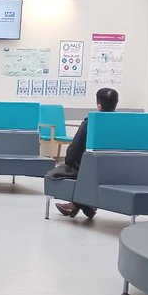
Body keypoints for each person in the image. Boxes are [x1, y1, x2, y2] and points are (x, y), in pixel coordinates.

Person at [53, 87, 119, 219]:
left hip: (87, 167)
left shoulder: (90, 123)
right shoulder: (121, 122)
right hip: (113, 168)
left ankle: (80, 204)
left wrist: (68, 162)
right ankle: (83, 205)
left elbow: (74, 149)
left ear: (99, 105)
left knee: (55, 173)